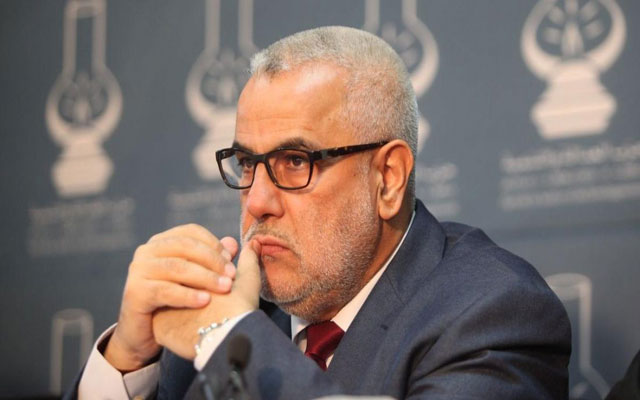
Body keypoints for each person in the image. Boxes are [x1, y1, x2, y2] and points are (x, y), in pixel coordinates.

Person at [67, 26, 570, 399]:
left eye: (295, 161)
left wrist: (229, 341)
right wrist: (127, 359)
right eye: (247, 163)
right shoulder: (210, 320)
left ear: (388, 178)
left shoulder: (493, 314)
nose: (257, 202)